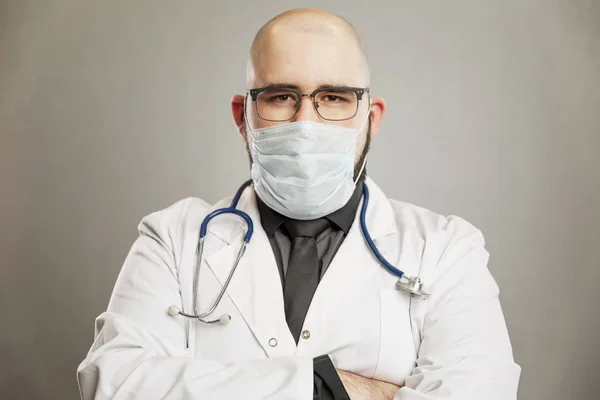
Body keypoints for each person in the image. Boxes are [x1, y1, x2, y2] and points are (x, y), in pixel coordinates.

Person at [77, 8, 521, 400]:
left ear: (371, 118)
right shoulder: (173, 238)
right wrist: (328, 388)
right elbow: (113, 384)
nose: (306, 122)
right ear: (242, 116)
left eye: (333, 97)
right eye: (281, 96)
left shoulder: (446, 249)